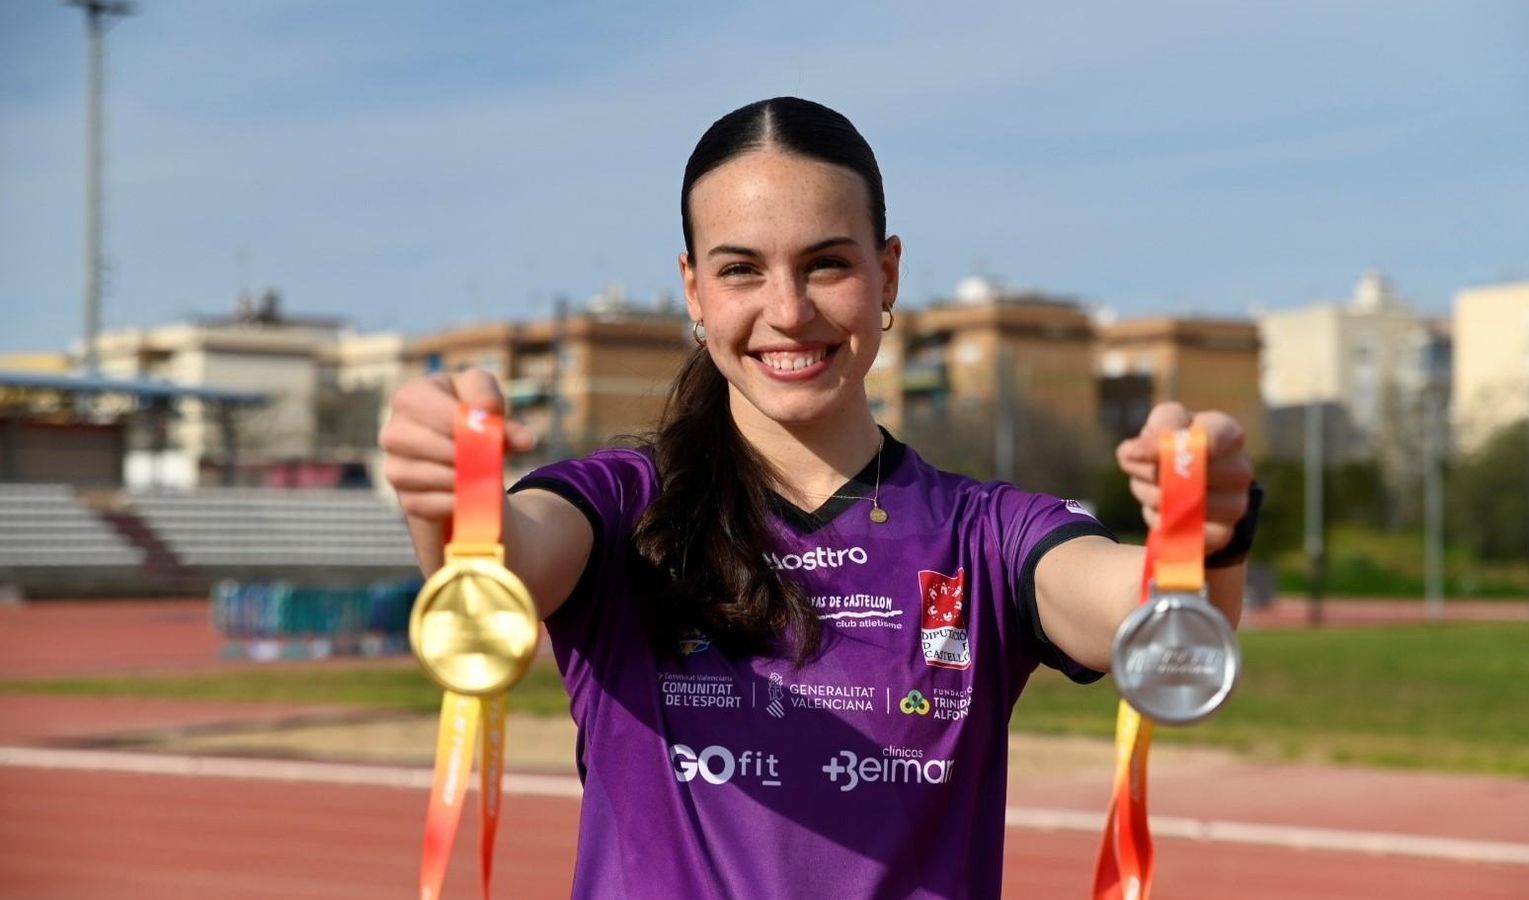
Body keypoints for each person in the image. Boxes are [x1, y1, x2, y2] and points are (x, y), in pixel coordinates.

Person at [380, 96, 1257, 899]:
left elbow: (1139, 609)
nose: (788, 310)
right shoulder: (619, 507)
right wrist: (448, 491)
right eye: (741, 271)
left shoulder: (985, 535)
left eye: (826, 264)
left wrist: (1203, 530)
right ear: (693, 288)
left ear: (888, 275)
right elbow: (501, 564)